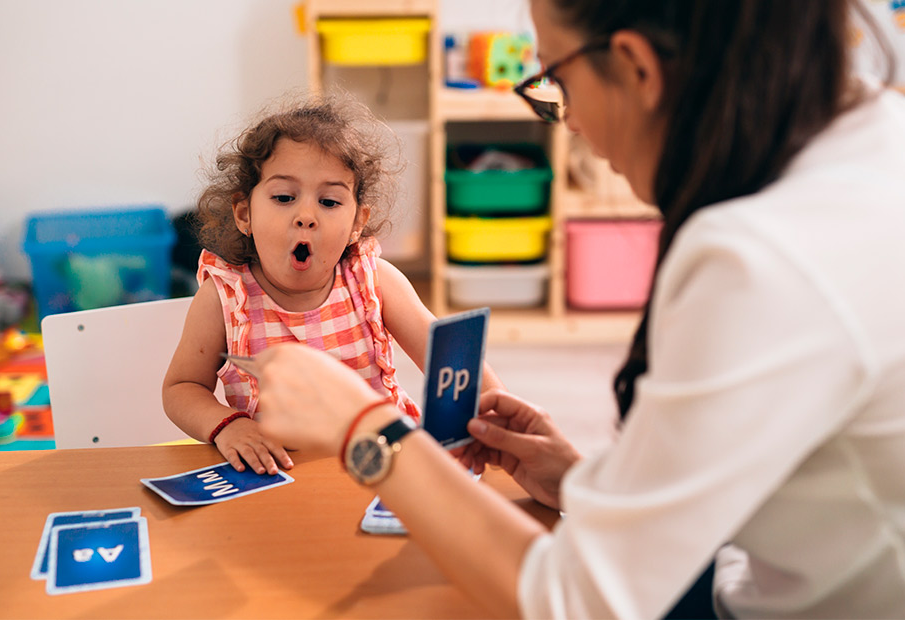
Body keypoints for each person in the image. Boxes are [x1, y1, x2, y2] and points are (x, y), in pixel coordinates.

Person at [252, 1, 905, 618]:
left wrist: (366, 432)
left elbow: (574, 602)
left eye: (556, 78)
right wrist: (589, 481)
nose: (568, 120)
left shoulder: (759, 261)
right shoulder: (876, 132)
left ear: (636, 67)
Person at [163, 96, 502, 476]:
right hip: (277, 474)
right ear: (245, 214)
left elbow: (450, 361)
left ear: (357, 221)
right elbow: (182, 387)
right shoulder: (225, 297)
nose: (306, 216)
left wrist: (495, 414)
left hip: (383, 467)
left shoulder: (373, 280)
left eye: (328, 201)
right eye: (284, 197)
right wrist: (229, 425)